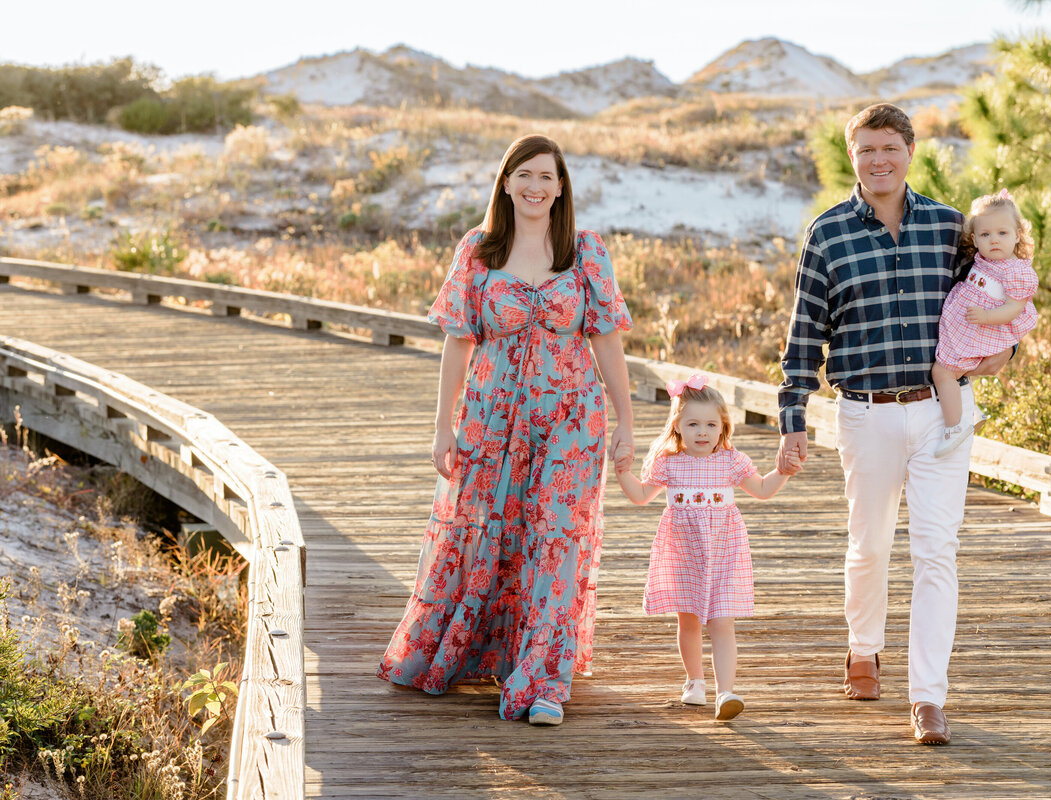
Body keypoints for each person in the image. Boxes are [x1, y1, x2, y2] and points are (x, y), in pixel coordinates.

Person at [377, 134, 634, 727]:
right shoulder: (479, 249)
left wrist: (625, 420)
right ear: (506, 182)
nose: (535, 186)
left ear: (561, 186)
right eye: (524, 175)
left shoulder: (586, 251)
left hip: (571, 418)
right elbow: (457, 342)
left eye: (546, 176)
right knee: (486, 532)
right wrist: (442, 426)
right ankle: (488, 651)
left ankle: (543, 680)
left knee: (557, 541)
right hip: (491, 417)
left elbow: (608, 341)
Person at [776, 103, 1013, 745]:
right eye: (866, 150)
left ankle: (928, 697)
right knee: (871, 542)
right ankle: (862, 646)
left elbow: (989, 297)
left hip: (943, 412)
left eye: (890, 147)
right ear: (852, 157)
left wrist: (1006, 349)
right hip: (865, 412)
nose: (879, 160)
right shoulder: (827, 234)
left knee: (937, 553)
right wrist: (792, 415)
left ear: (910, 150)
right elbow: (805, 335)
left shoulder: (948, 227)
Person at [613, 374, 800, 721]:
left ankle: (726, 691)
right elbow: (640, 496)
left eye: (711, 424)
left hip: (725, 548)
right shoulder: (669, 462)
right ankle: (694, 681)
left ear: (723, 426)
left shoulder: (731, 460)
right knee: (689, 621)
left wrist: (783, 471)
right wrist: (622, 472)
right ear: (678, 427)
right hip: (684, 549)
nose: (702, 432)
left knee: (722, 621)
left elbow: (761, 489)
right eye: (693, 423)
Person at [930, 189, 1038, 457]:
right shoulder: (986, 260)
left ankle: (955, 428)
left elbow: (1015, 307)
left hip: (984, 326)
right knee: (952, 370)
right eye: (986, 235)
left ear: (1017, 235)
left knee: (943, 372)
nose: (994, 240)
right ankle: (970, 414)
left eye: (1002, 233)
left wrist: (987, 317)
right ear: (975, 239)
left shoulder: (1018, 271)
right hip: (970, 323)